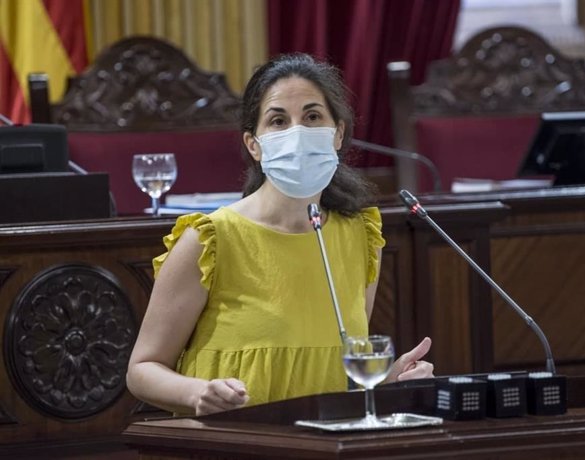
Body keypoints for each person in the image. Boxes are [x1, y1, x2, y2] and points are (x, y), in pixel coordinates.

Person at [126, 53, 434, 416]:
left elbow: (335, 365)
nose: (297, 132)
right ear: (253, 144)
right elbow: (142, 369)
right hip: (234, 443)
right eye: (278, 120)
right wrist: (196, 393)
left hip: (329, 441)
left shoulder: (360, 235)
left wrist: (385, 380)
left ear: (337, 134)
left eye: (312, 116)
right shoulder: (209, 240)